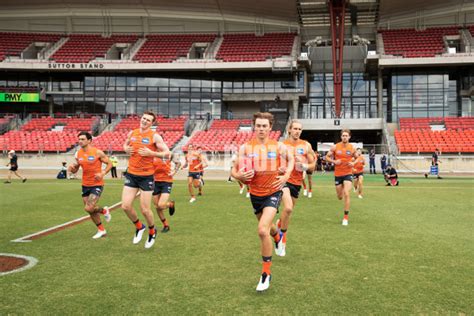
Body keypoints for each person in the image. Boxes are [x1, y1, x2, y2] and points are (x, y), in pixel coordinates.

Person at [231, 112, 294, 292]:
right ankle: (277, 236)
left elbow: (291, 160)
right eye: (258, 125)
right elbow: (233, 171)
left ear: (270, 128)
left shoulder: (278, 146)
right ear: (254, 126)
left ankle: (266, 274)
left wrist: (286, 175)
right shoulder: (245, 148)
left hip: (273, 192)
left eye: (264, 126)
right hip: (255, 195)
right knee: (270, 228)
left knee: (261, 230)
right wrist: (240, 176)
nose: (261, 129)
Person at [122, 111, 170, 249]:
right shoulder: (132, 133)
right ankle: (139, 227)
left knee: (145, 210)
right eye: (143, 118)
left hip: (146, 177)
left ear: (152, 123)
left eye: (148, 120)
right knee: (125, 206)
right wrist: (126, 149)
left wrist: (152, 153)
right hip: (131, 174)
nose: (144, 121)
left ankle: (152, 230)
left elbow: (167, 153)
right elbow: (125, 145)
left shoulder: (155, 136)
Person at [277, 120, 316, 257]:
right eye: (295, 128)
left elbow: (313, 165)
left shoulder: (306, 145)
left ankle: (278, 225)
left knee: (287, 213)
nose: (297, 131)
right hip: (283, 180)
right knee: (288, 208)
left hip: (297, 182)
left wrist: (305, 166)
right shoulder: (281, 145)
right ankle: (282, 241)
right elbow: (272, 161)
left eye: (299, 129)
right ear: (289, 129)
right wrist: (279, 168)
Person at [68, 131, 112, 239]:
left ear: (89, 140)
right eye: (79, 139)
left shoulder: (97, 152)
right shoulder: (78, 154)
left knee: (88, 208)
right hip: (85, 184)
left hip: (97, 184)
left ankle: (103, 213)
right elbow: (76, 169)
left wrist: (102, 173)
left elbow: (110, 163)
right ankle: (101, 228)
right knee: (90, 210)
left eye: (83, 139)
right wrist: (72, 169)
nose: (80, 141)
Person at [326, 129, 361, 226]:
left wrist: (353, 163)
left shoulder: (352, 148)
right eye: (343, 135)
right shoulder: (335, 147)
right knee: (340, 196)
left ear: (349, 137)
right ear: (341, 137)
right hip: (338, 174)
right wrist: (334, 162)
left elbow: (358, 157)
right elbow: (327, 157)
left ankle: (345, 217)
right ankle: (340, 194)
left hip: (348, 173)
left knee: (346, 193)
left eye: (346, 135)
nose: (345, 137)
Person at [152, 152, 181, 233]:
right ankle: (166, 225)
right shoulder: (152, 154)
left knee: (161, 205)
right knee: (157, 206)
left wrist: (174, 172)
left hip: (166, 181)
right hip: (155, 182)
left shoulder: (168, 154)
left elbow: (178, 163)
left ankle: (170, 204)